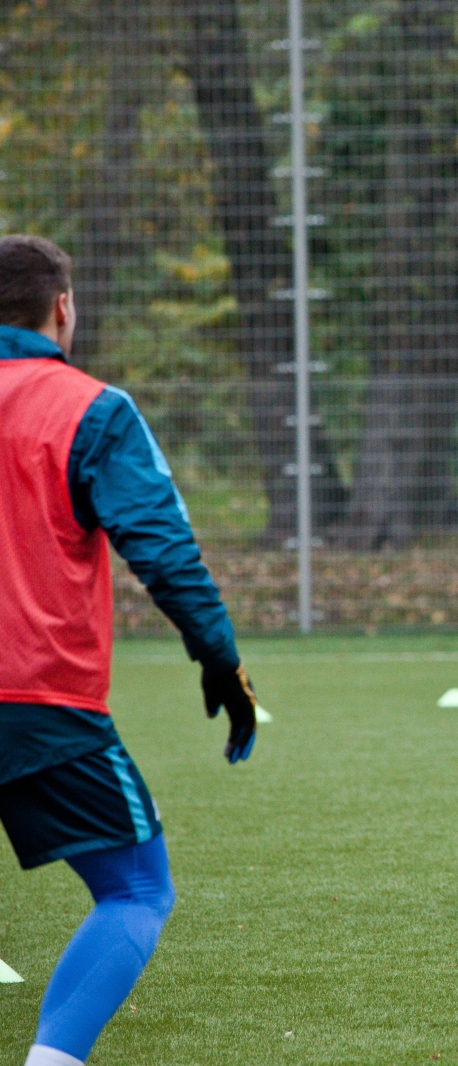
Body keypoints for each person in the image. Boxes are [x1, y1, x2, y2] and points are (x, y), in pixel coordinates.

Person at [0, 236, 260, 1066]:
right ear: (63, 308)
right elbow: (165, 552)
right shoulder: (88, 408)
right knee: (136, 890)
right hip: (38, 703)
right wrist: (221, 662)